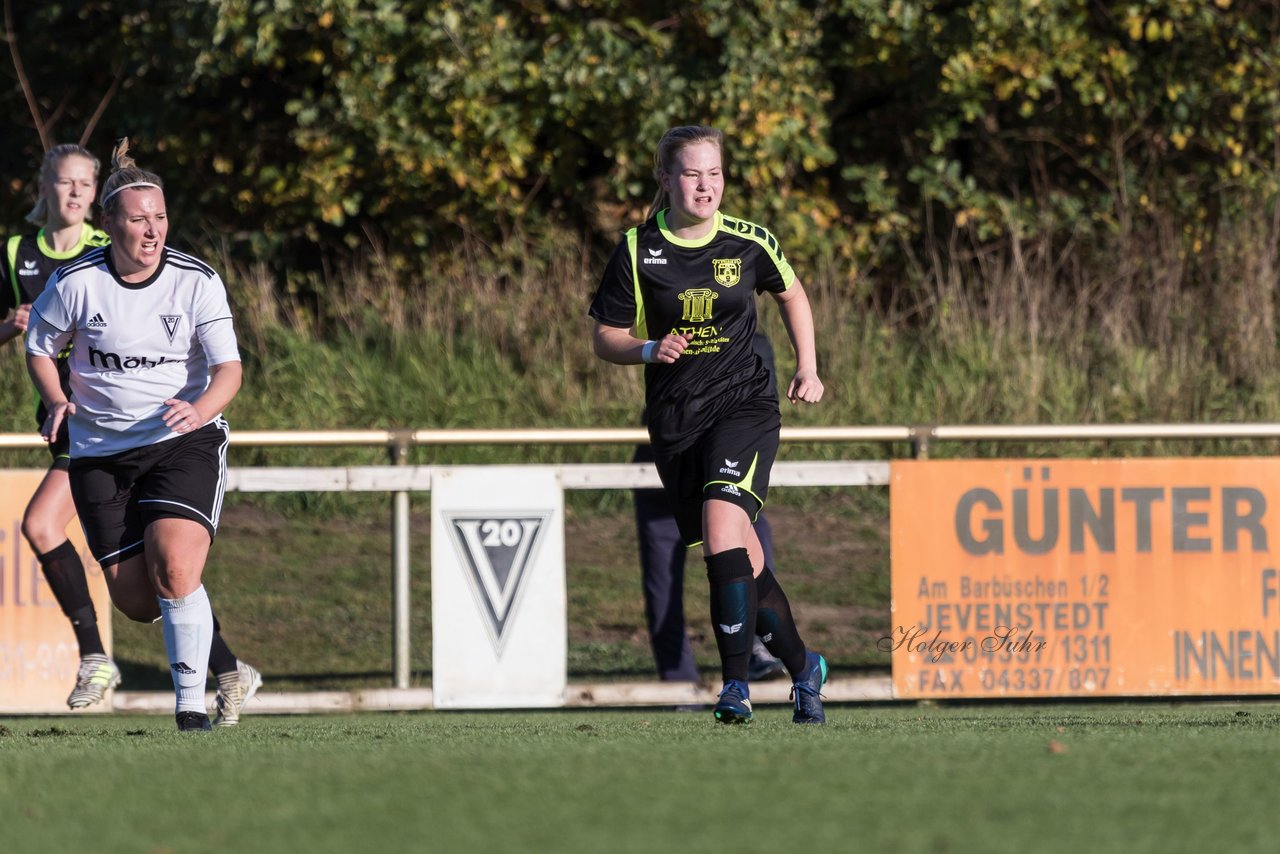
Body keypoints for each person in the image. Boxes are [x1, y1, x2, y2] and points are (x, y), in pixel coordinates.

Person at [591, 125, 828, 724]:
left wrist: (808, 366)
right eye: (693, 173)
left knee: (724, 525)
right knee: (742, 558)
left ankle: (734, 686)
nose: (706, 185)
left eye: (715, 173)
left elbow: (792, 295)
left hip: (744, 406)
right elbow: (606, 337)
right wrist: (647, 350)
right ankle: (805, 669)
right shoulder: (637, 249)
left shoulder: (750, 242)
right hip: (677, 423)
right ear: (666, 180)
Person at [25, 138, 254, 731]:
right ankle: (230, 668)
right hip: (100, 453)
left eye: (160, 218)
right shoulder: (76, 282)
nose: (152, 231)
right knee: (135, 599)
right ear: (110, 223)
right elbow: (39, 347)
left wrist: (200, 409)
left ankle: (191, 710)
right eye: (137, 219)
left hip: (183, 442)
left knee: (176, 566)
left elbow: (229, 369)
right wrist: (55, 399)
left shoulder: (195, 280)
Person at [633, 331, 786, 684]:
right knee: (662, 587)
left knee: (750, 555)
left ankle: (758, 651)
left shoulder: (754, 344)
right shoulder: (675, 332)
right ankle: (678, 684)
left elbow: (758, 416)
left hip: (720, 474)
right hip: (667, 475)